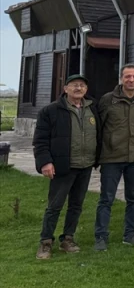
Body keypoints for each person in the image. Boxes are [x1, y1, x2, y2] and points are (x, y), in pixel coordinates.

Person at [34, 74, 102, 260]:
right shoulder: (51, 111)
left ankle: (68, 239)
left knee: (76, 205)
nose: (78, 88)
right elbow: (40, 140)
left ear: (86, 90)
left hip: (85, 165)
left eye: (82, 86)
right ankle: (46, 242)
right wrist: (45, 162)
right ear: (65, 89)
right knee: (55, 205)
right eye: (74, 85)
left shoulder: (93, 109)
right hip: (63, 166)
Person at [94, 64, 134, 251]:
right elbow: (98, 128)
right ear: (121, 78)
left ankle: (130, 234)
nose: (132, 80)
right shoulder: (108, 100)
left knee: (133, 198)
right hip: (112, 157)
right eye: (128, 77)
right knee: (106, 199)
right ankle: (101, 237)